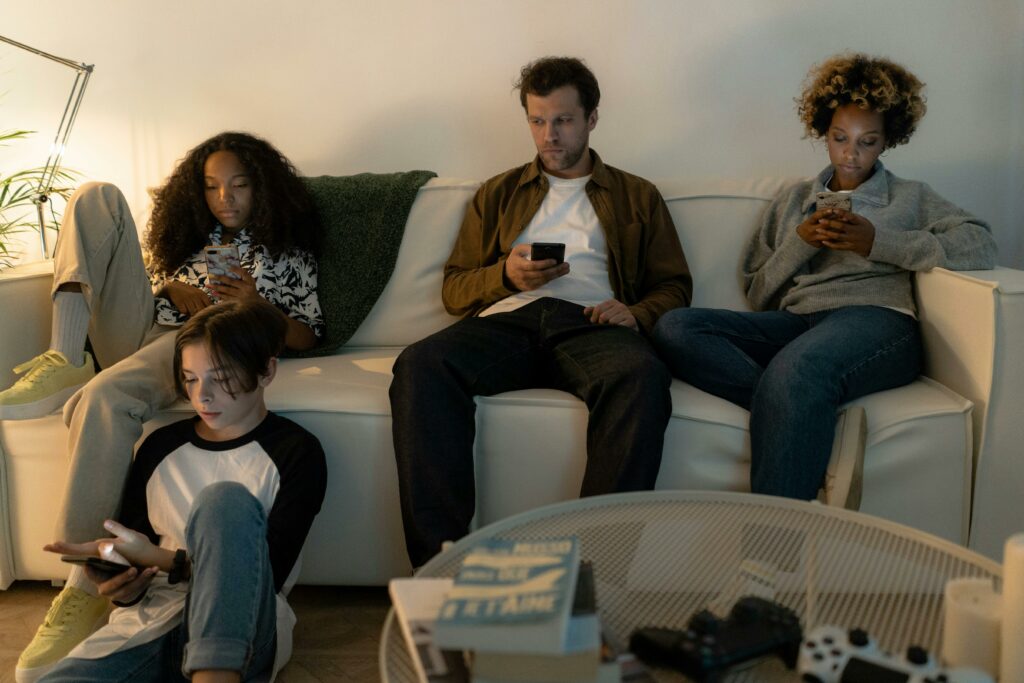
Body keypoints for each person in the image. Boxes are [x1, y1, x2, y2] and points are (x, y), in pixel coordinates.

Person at [9, 131, 324, 682]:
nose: (224, 198)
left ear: (264, 188)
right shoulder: (185, 239)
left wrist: (255, 306)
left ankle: (83, 584)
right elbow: (140, 282)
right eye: (211, 187)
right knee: (95, 197)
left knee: (106, 397)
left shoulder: (287, 253)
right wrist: (169, 288)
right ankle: (66, 351)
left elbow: (308, 335)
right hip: (149, 324)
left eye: (239, 185)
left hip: (198, 340)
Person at [390, 56, 692, 569]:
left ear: (592, 119)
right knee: (420, 364)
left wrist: (636, 313)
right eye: (537, 120)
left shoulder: (638, 195)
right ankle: (438, 567)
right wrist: (506, 277)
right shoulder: (499, 192)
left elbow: (675, 285)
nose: (548, 135)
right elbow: (455, 289)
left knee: (641, 376)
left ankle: (598, 572)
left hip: (593, 324)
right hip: (509, 322)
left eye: (563, 120)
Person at [652, 53, 997, 500]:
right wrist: (802, 241)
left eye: (867, 141)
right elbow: (758, 292)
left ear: (887, 140)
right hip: (797, 323)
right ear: (823, 132)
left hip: (876, 322)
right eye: (840, 138)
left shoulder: (910, 197)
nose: (851, 154)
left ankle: (767, 561)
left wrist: (877, 242)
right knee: (675, 326)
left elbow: (980, 242)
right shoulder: (793, 200)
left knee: (799, 370)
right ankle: (810, 417)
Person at [37, 299, 327, 682]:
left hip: (242, 629)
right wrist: (121, 585)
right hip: (150, 624)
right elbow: (133, 563)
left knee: (224, 501)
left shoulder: (296, 452)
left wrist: (162, 559)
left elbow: (265, 573)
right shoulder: (160, 447)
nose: (201, 395)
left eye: (221, 378)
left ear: (266, 371)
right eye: (190, 378)